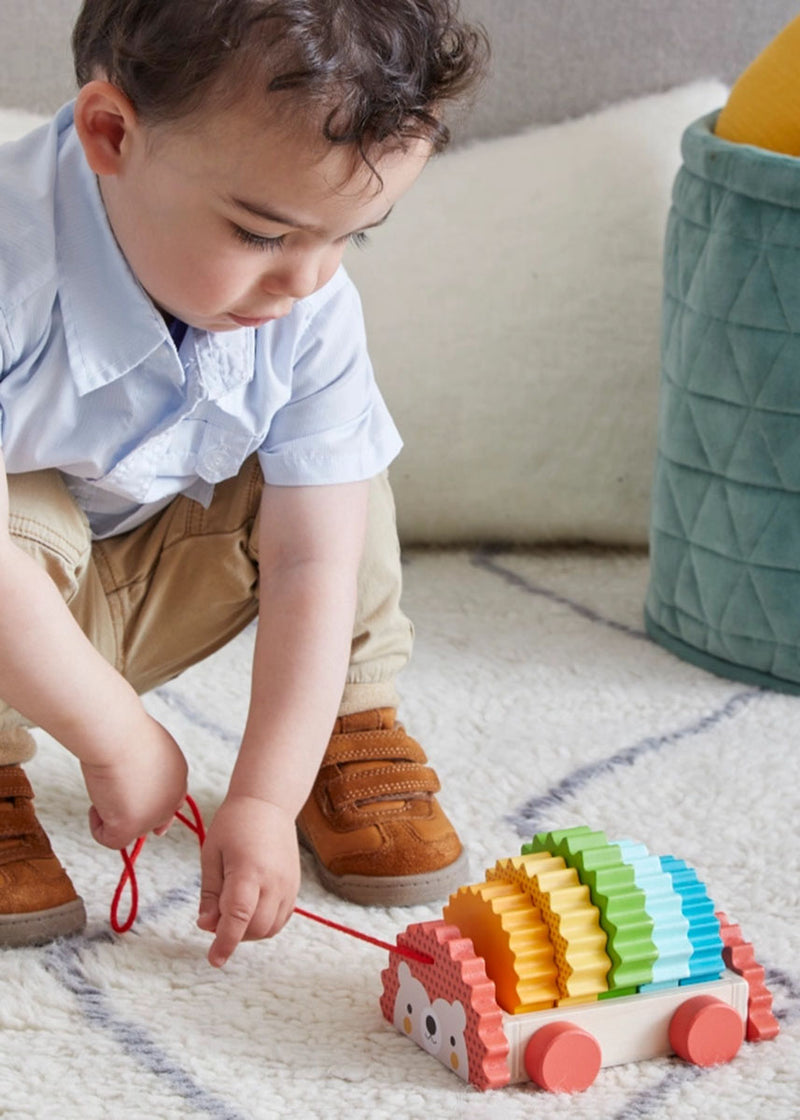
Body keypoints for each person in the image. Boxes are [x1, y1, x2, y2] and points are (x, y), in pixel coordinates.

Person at [0, 0, 488, 966]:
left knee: (340, 476)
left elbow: (312, 561)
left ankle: (342, 728)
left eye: (354, 235)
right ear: (110, 135)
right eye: (263, 234)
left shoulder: (308, 303)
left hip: (133, 586)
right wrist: (116, 737)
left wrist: (263, 794)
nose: (306, 281)